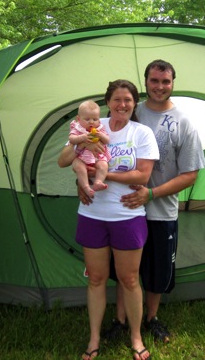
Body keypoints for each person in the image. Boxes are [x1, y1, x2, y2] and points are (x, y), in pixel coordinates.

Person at [79, 60, 205, 344]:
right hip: (122, 209)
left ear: (173, 83)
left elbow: (191, 175)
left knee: (157, 270)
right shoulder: (127, 111)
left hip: (160, 210)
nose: (160, 86)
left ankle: (152, 318)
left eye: (165, 81)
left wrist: (151, 193)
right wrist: (83, 181)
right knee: (125, 273)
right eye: (154, 81)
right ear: (145, 83)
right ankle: (120, 320)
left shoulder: (184, 123)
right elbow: (94, 154)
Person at [58, 80, 159, 360]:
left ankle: (136, 337)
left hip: (127, 215)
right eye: (117, 99)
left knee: (129, 279)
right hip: (92, 214)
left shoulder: (141, 132)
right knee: (96, 279)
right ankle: (94, 339)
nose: (122, 105)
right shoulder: (90, 124)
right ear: (108, 102)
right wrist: (79, 145)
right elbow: (63, 160)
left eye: (128, 100)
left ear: (134, 104)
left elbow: (143, 175)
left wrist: (101, 176)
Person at [69, 100, 111, 197]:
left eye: (95, 119)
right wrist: (82, 138)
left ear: (99, 120)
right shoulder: (78, 128)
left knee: (103, 165)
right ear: (78, 119)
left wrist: (101, 135)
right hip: (81, 157)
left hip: (97, 157)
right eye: (87, 119)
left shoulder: (100, 128)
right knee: (78, 167)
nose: (91, 122)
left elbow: (107, 140)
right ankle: (86, 187)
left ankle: (98, 181)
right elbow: (71, 139)